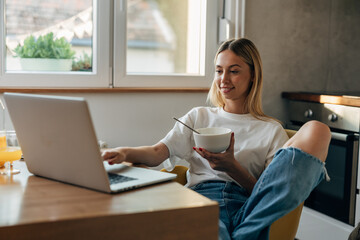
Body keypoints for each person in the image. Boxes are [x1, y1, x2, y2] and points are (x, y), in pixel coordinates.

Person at [102, 38, 331, 240]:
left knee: (318, 129)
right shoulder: (198, 116)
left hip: (250, 209)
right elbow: (157, 153)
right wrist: (124, 152)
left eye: (234, 70)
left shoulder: (271, 130)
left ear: (252, 76)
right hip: (201, 202)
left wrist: (233, 168)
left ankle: (242, 234)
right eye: (219, 70)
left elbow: (270, 192)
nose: (223, 79)